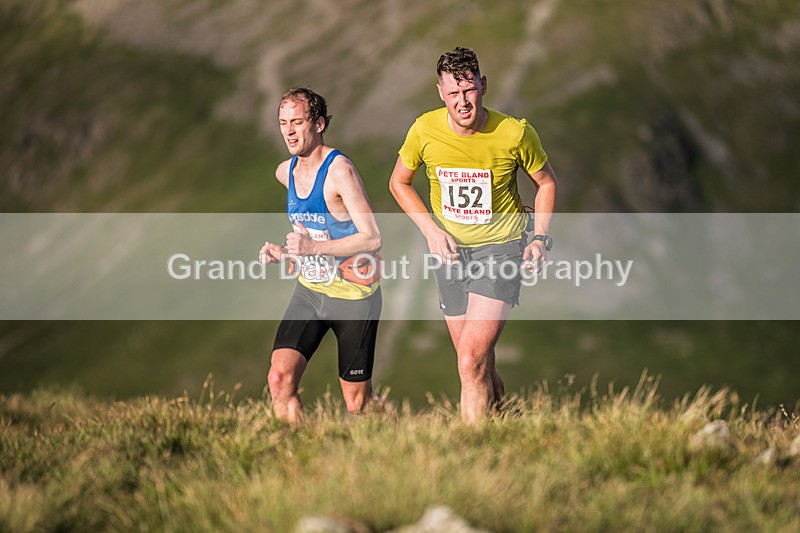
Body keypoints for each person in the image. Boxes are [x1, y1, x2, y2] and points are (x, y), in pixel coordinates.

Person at [389, 47, 557, 425]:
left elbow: (546, 183)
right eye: (453, 93)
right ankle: (504, 425)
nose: (462, 102)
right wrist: (431, 232)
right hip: (448, 253)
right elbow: (399, 182)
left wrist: (539, 239)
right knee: (477, 361)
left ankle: (473, 446)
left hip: (501, 249)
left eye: (469, 91)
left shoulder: (514, 132)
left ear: (483, 85)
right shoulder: (423, 130)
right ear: (440, 92)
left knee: (470, 359)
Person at [260, 87, 382, 426]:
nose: (288, 130)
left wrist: (314, 249)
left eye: (297, 122)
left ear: (320, 124)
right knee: (279, 380)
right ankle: (297, 456)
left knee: (358, 404)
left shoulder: (340, 171)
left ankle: (388, 424)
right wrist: (283, 253)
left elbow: (372, 237)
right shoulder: (285, 172)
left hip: (354, 297)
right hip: (310, 292)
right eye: (283, 122)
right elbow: (313, 235)